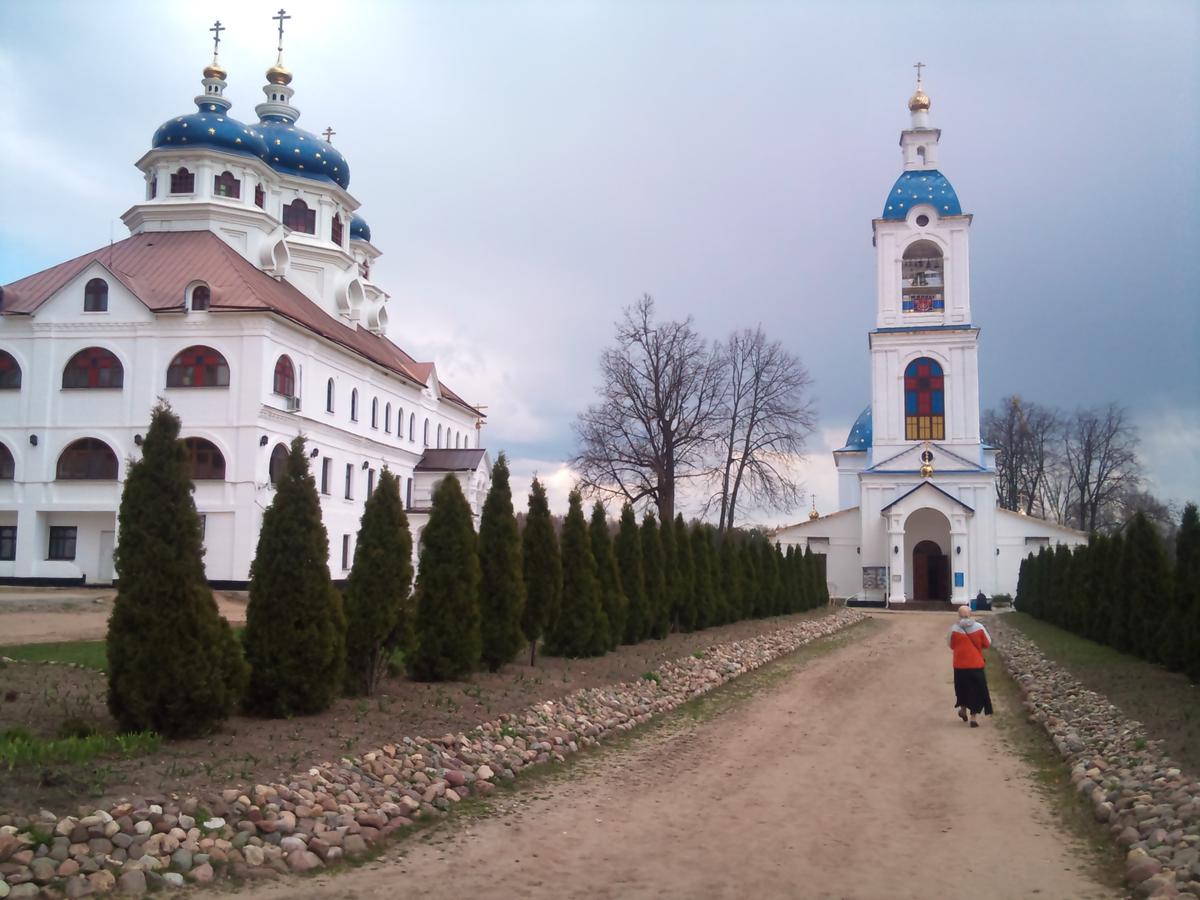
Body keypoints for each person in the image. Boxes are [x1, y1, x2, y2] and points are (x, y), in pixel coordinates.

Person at [948, 605, 993, 727]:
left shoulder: (954, 629)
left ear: (959, 615)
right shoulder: (979, 627)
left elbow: (951, 645)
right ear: (970, 614)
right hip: (976, 664)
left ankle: (963, 710)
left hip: (960, 665)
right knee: (976, 691)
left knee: (962, 689)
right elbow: (987, 643)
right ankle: (973, 718)